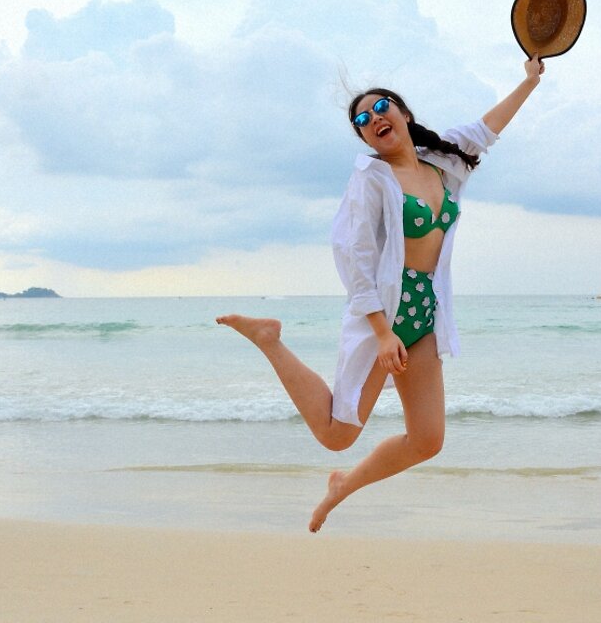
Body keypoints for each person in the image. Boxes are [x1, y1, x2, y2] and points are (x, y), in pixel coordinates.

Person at [217, 54, 545, 532]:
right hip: (385, 318)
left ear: (404, 114)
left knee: (428, 440)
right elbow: (356, 258)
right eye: (362, 121)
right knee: (336, 433)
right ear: (367, 139)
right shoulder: (372, 179)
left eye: (381, 108)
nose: (373, 120)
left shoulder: (443, 161)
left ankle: (342, 487)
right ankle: (270, 338)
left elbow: (486, 129)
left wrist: (529, 82)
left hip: (425, 315)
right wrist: (382, 331)